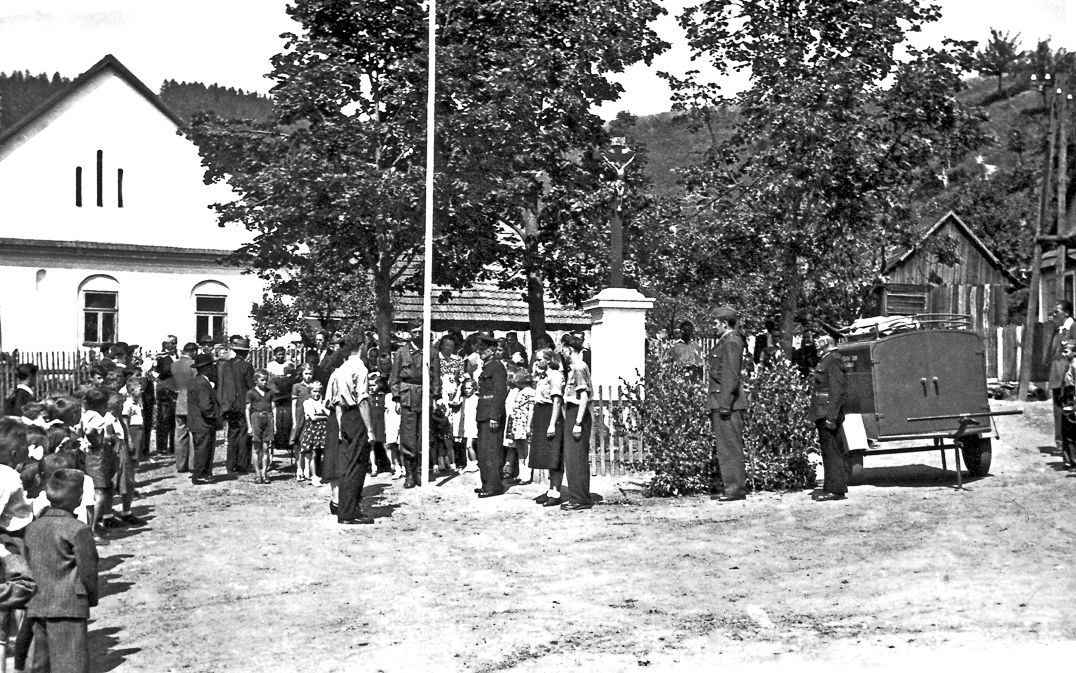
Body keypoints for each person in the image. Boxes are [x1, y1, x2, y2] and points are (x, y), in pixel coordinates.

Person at [24, 468, 99, 673]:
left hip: (36, 605)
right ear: (80, 498)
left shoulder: (32, 528)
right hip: (69, 607)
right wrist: (90, 598)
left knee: (39, 666)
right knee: (71, 666)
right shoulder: (77, 529)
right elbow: (88, 572)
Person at [326, 332, 377, 525]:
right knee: (357, 465)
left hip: (346, 415)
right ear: (362, 346)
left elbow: (337, 401)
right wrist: (370, 429)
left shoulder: (340, 369)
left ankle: (349, 507)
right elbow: (363, 400)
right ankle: (348, 512)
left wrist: (340, 425)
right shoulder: (360, 368)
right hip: (357, 416)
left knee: (348, 464)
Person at [707, 306, 749, 502]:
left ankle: (735, 489)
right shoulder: (726, 341)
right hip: (722, 402)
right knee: (726, 448)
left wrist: (724, 404)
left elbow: (730, 376)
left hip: (728, 404)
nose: (712, 327)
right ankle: (732, 487)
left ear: (725, 323)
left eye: (714, 323)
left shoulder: (731, 342)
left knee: (730, 447)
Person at [810, 332, 849, 501]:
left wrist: (831, 417)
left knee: (832, 451)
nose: (815, 343)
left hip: (827, 412)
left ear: (827, 342)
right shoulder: (827, 358)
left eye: (818, 340)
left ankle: (836, 489)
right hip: (823, 411)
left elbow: (837, 391)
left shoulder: (833, 360)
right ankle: (830, 486)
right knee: (827, 450)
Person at [390, 322, 427, 488]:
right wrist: (397, 398)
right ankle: (410, 473)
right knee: (408, 436)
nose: (418, 334)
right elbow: (394, 378)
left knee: (424, 436)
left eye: (420, 331)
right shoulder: (401, 352)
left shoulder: (429, 351)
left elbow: (436, 375)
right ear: (409, 334)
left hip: (425, 395)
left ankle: (420, 470)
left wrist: (437, 396)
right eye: (414, 331)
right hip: (407, 396)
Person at [560, 334, 594, 511]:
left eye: (563, 348)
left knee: (577, 458)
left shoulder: (580, 367)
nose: (562, 352)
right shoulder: (573, 367)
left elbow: (584, 396)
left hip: (577, 414)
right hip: (572, 413)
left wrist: (578, 422)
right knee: (571, 458)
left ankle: (580, 498)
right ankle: (576, 496)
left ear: (569, 349)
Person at [474, 330, 508, 497]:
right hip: (483, 412)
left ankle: (493, 486)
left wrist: (495, 415)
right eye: (480, 349)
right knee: (483, 450)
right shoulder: (487, 366)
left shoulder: (497, 367)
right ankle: (486, 482)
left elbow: (500, 393)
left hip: (491, 414)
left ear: (492, 350)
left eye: (483, 350)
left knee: (492, 451)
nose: (480, 352)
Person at [529, 347, 565, 506]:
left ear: (549, 360)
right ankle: (551, 490)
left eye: (539, 359)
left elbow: (557, 401)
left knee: (554, 455)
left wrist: (552, 424)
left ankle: (556, 493)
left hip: (551, 415)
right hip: (540, 414)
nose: (536, 362)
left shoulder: (555, 376)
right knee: (546, 455)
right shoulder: (542, 376)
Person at [218, 336, 256, 474]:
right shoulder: (246, 366)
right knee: (244, 434)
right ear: (245, 352)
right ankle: (242, 463)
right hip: (242, 404)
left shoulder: (226, 365)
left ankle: (230, 463)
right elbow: (250, 386)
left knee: (232, 433)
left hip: (228, 404)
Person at [188, 354, 221, 485]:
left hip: (199, 422)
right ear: (206, 368)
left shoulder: (198, 381)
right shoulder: (202, 383)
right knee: (203, 449)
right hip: (203, 423)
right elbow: (205, 405)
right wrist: (214, 417)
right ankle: (200, 474)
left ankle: (204, 473)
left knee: (204, 448)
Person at [1048, 301, 1076, 457]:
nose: (1053, 316)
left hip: (1069, 378)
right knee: (1059, 412)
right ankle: (1061, 445)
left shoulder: (1073, 328)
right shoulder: (1059, 330)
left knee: (1069, 412)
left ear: (1066, 313)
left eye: (1056, 312)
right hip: (1057, 376)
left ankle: (1069, 449)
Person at [170, 342, 199, 473]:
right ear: (193, 352)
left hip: (179, 401)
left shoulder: (174, 365)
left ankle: (181, 464)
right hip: (192, 401)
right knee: (193, 433)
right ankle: (193, 464)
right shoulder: (193, 365)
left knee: (180, 434)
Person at [246, 370, 274, 485]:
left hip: (268, 419)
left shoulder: (270, 392)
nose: (264, 382)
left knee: (266, 448)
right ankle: (257, 474)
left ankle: (264, 473)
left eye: (266, 380)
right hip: (256, 418)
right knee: (256, 448)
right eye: (262, 380)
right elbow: (247, 409)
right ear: (256, 380)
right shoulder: (251, 393)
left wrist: (274, 424)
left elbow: (273, 408)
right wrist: (249, 426)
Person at [298, 380, 329, 482]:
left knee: (324, 452)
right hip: (313, 429)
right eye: (314, 391)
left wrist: (323, 407)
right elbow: (313, 417)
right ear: (310, 392)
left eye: (319, 391)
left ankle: (322, 473)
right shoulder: (307, 402)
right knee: (313, 453)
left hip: (323, 430)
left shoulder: (322, 403)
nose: (317, 394)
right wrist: (325, 417)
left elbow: (329, 413)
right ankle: (313, 475)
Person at [154, 339, 178, 455]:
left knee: (175, 419)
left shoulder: (178, 355)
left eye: (175, 342)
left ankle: (174, 446)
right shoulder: (160, 357)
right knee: (163, 419)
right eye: (172, 343)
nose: (174, 344)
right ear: (165, 345)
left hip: (176, 390)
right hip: (165, 390)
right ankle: (162, 447)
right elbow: (159, 371)